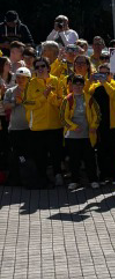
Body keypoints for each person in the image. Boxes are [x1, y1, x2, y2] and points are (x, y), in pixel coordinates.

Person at [24, 57, 66, 186]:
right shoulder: (31, 83)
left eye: (43, 66)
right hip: (38, 127)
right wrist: (43, 96)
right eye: (37, 67)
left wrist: (51, 96)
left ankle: (58, 175)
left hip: (55, 125)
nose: (40, 69)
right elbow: (28, 103)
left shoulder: (56, 81)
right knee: (40, 156)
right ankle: (43, 179)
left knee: (56, 154)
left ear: (48, 67)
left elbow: (62, 101)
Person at [61, 75, 100, 190]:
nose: (77, 87)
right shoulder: (67, 99)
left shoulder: (90, 99)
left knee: (90, 159)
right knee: (74, 160)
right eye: (75, 84)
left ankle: (93, 180)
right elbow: (63, 118)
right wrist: (73, 127)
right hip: (72, 135)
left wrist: (94, 126)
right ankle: (75, 181)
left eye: (80, 84)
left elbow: (97, 114)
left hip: (88, 135)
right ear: (71, 86)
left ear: (83, 86)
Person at [88, 63, 115, 183]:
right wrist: (90, 80)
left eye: (106, 73)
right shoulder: (94, 86)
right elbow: (86, 94)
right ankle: (103, 174)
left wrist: (105, 83)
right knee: (101, 150)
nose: (104, 76)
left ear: (111, 74)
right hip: (99, 123)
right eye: (101, 73)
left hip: (114, 123)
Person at [2, 65, 33, 185]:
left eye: (23, 77)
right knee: (16, 154)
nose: (20, 80)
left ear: (29, 79)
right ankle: (17, 178)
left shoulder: (32, 90)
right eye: (18, 77)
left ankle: (29, 177)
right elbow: (5, 106)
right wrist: (15, 102)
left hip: (30, 128)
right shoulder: (10, 91)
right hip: (15, 129)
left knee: (29, 154)